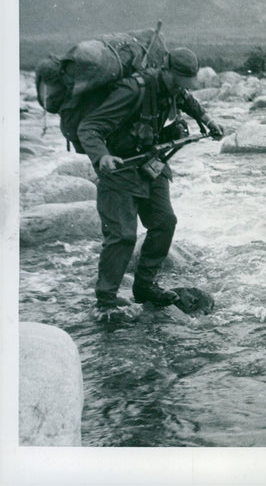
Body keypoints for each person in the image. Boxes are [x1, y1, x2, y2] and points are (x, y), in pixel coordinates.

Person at [77, 47, 225, 321]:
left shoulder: (173, 88)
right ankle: (106, 300)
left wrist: (207, 121)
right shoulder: (133, 91)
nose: (185, 85)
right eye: (181, 79)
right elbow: (88, 127)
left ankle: (144, 287)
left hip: (151, 165)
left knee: (164, 222)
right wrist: (102, 156)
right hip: (119, 169)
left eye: (188, 80)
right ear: (167, 71)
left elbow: (186, 100)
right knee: (122, 236)